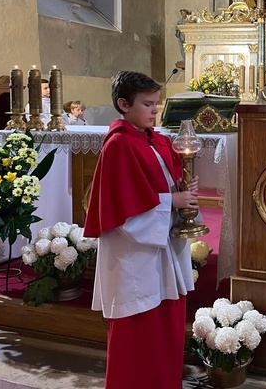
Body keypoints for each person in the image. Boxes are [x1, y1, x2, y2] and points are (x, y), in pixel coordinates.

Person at [83, 71, 197, 389]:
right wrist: (173, 199)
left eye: (156, 104)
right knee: (137, 335)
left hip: (158, 249)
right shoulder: (119, 145)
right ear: (123, 104)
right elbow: (124, 209)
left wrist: (182, 187)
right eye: (147, 104)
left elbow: (160, 181)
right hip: (134, 255)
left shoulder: (152, 138)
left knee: (163, 330)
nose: (154, 110)